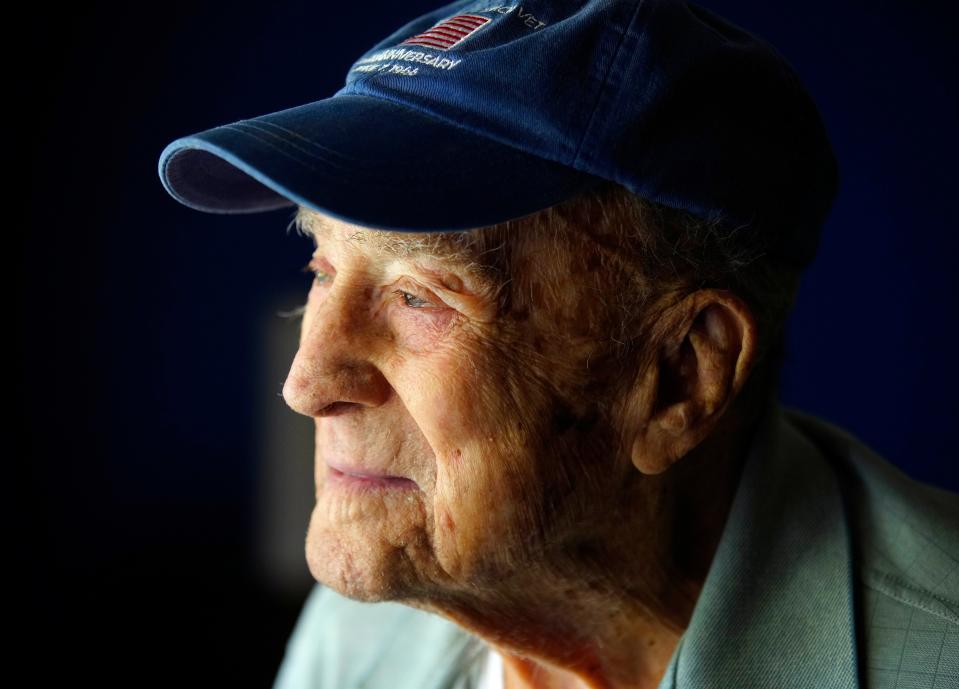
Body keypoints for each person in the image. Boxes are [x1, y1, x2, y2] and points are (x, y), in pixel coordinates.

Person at [157, 1, 959, 687]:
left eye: (418, 296)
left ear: (678, 375)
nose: (306, 382)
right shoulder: (365, 631)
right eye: (322, 267)